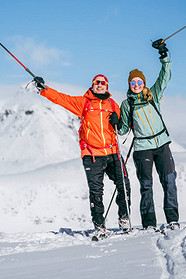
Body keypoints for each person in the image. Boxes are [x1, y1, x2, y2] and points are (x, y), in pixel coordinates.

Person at [34, 74, 131, 237]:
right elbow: (61, 99)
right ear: (92, 85)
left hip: (113, 152)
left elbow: (125, 126)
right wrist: (44, 89)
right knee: (96, 191)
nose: (100, 85)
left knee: (124, 185)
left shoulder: (113, 105)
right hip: (92, 154)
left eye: (103, 83)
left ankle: (124, 219)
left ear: (107, 87)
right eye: (97, 83)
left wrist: (119, 121)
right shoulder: (83, 102)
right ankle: (100, 226)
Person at [118, 40, 180, 231]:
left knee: (169, 181)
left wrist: (163, 55)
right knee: (146, 187)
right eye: (133, 82)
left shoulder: (152, 94)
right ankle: (149, 224)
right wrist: (115, 121)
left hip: (162, 144)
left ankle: (172, 219)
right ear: (129, 84)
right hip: (142, 148)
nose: (136, 84)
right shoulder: (127, 103)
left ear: (143, 83)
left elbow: (165, 76)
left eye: (139, 82)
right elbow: (122, 130)